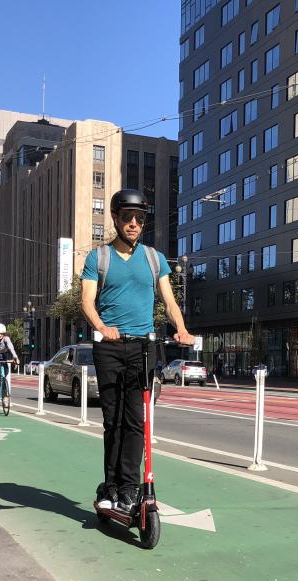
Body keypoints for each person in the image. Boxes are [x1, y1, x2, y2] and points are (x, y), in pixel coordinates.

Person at [81, 188, 194, 513]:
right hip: (110, 348)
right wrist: (102, 327)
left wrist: (181, 328)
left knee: (135, 421)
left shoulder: (153, 258)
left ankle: (128, 489)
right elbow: (86, 301)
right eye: (127, 217)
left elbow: (169, 302)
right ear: (115, 219)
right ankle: (110, 486)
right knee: (112, 420)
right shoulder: (98, 258)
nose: (133, 223)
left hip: (143, 347)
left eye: (139, 219)